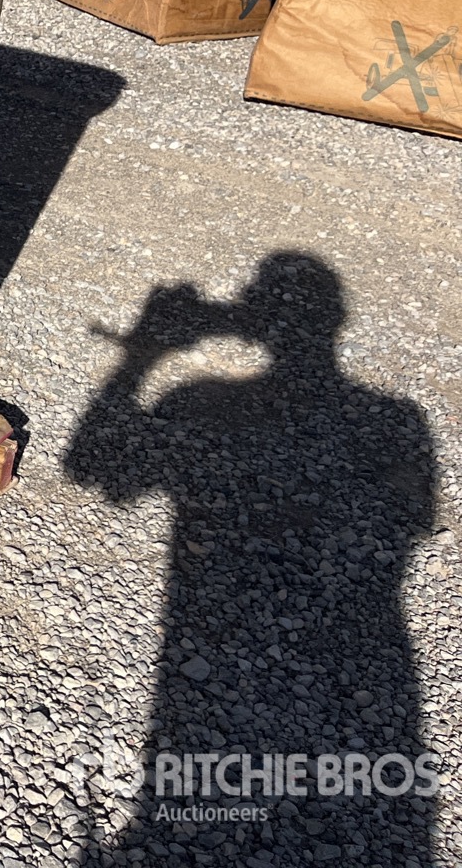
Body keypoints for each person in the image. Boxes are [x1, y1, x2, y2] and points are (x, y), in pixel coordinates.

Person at [65, 253, 437, 866]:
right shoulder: (401, 421)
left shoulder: (193, 400)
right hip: (369, 666)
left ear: (254, 319)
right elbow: (413, 525)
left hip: (196, 639)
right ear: (336, 320)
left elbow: (92, 470)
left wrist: (141, 354)